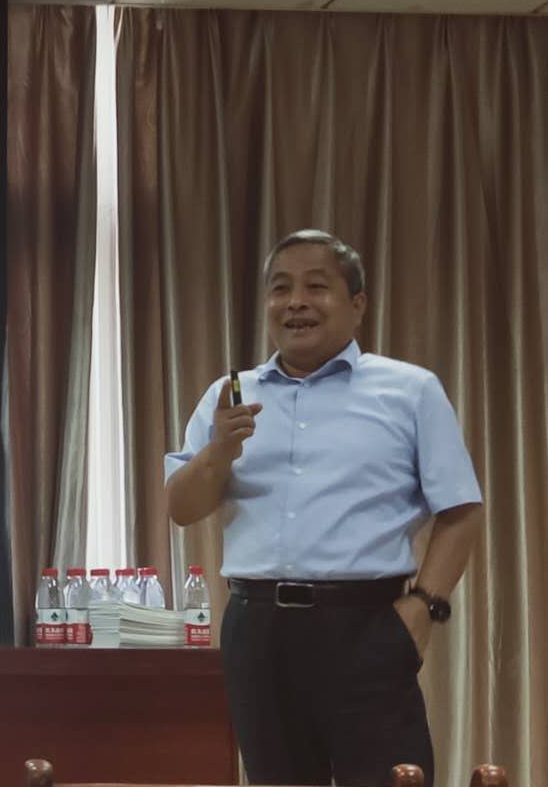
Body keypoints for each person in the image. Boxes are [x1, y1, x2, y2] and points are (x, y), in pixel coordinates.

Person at [165, 230, 483, 787]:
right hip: (257, 629)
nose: (295, 303)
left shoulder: (410, 391)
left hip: (366, 623)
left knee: (387, 778)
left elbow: (461, 510)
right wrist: (219, 451)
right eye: (280, 288)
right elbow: (182, 508)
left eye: (316, 287)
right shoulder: (230, 395)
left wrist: (424, 607)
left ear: (357, 305)